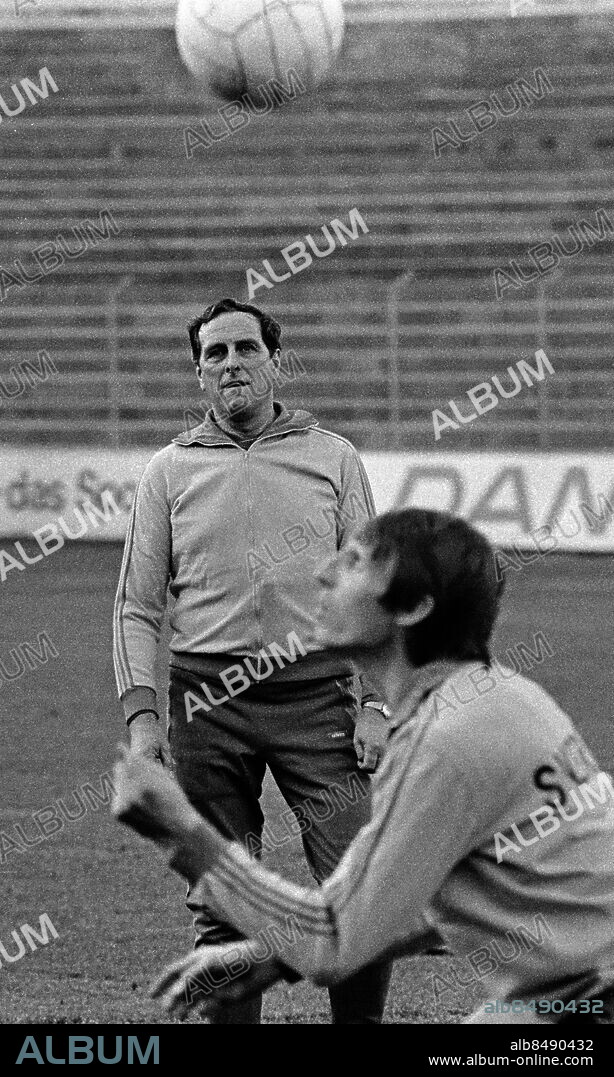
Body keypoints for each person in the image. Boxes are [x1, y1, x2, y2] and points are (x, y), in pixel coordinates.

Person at [114, 508, 614, 1024]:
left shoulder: (445, 739)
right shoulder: (503, 699)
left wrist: (180, 830)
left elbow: (333, 940)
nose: (323, 573)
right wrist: (271, 954)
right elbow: (422, 905)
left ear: (415, 606)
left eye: (354, 562)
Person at [112, 297, 391, 1024]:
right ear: (198, 374)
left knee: (355, 897)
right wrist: (144, 723)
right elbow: (136, 606)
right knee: (225, 907)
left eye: (244, 349)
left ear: (273, 360)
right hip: (207, 705)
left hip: (318, 698)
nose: (230, 363)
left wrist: (380, 703)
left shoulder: (333, 456)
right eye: (214, 354)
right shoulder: (168, 470)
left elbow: (376, 592)